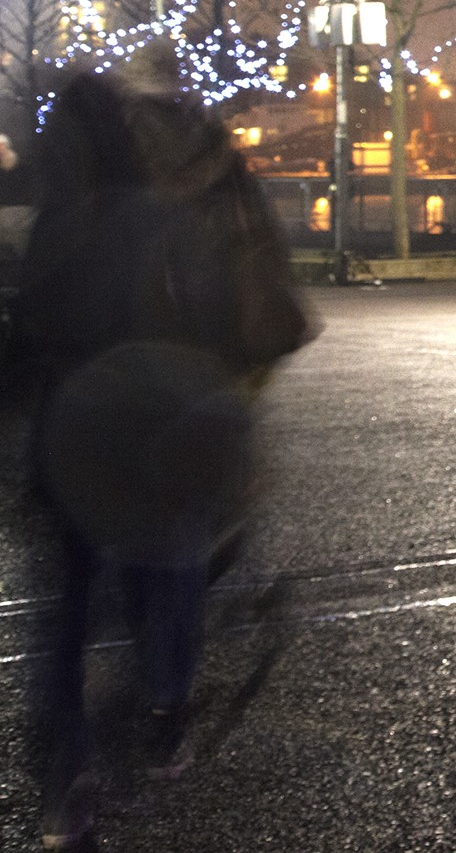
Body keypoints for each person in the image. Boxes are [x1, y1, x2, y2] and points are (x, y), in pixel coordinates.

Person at [17, 54, 311, 844]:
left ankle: (65, 770)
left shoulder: (53, 224)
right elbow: (219, 313)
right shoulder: (162, 212)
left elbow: (24, 342)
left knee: (67, 606)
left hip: (71, 437)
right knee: (169, 559)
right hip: (159, 419)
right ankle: (163, 707)